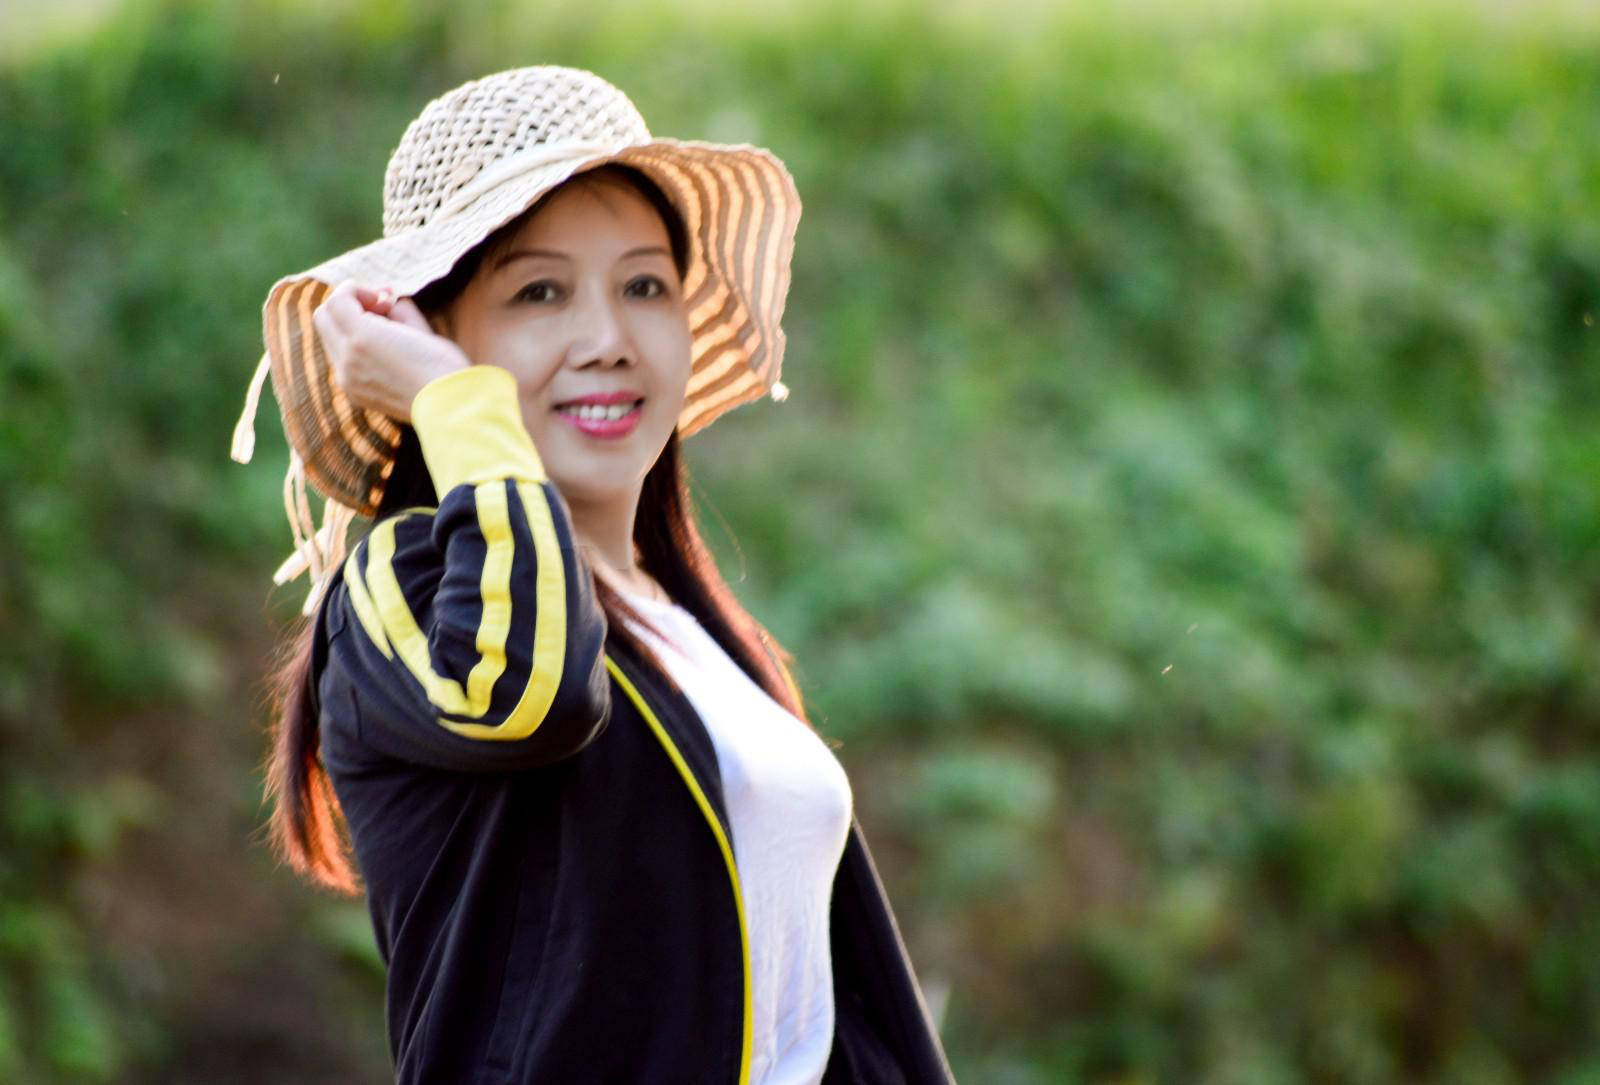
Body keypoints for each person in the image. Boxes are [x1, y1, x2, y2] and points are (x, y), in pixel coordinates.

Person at [231, 66, 954, 1083]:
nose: (608, 340)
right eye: (540, 291)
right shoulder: (401, 591)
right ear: (430, 337)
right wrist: (456, 407)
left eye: (645, 286)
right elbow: (528, 696)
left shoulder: (689, 626)